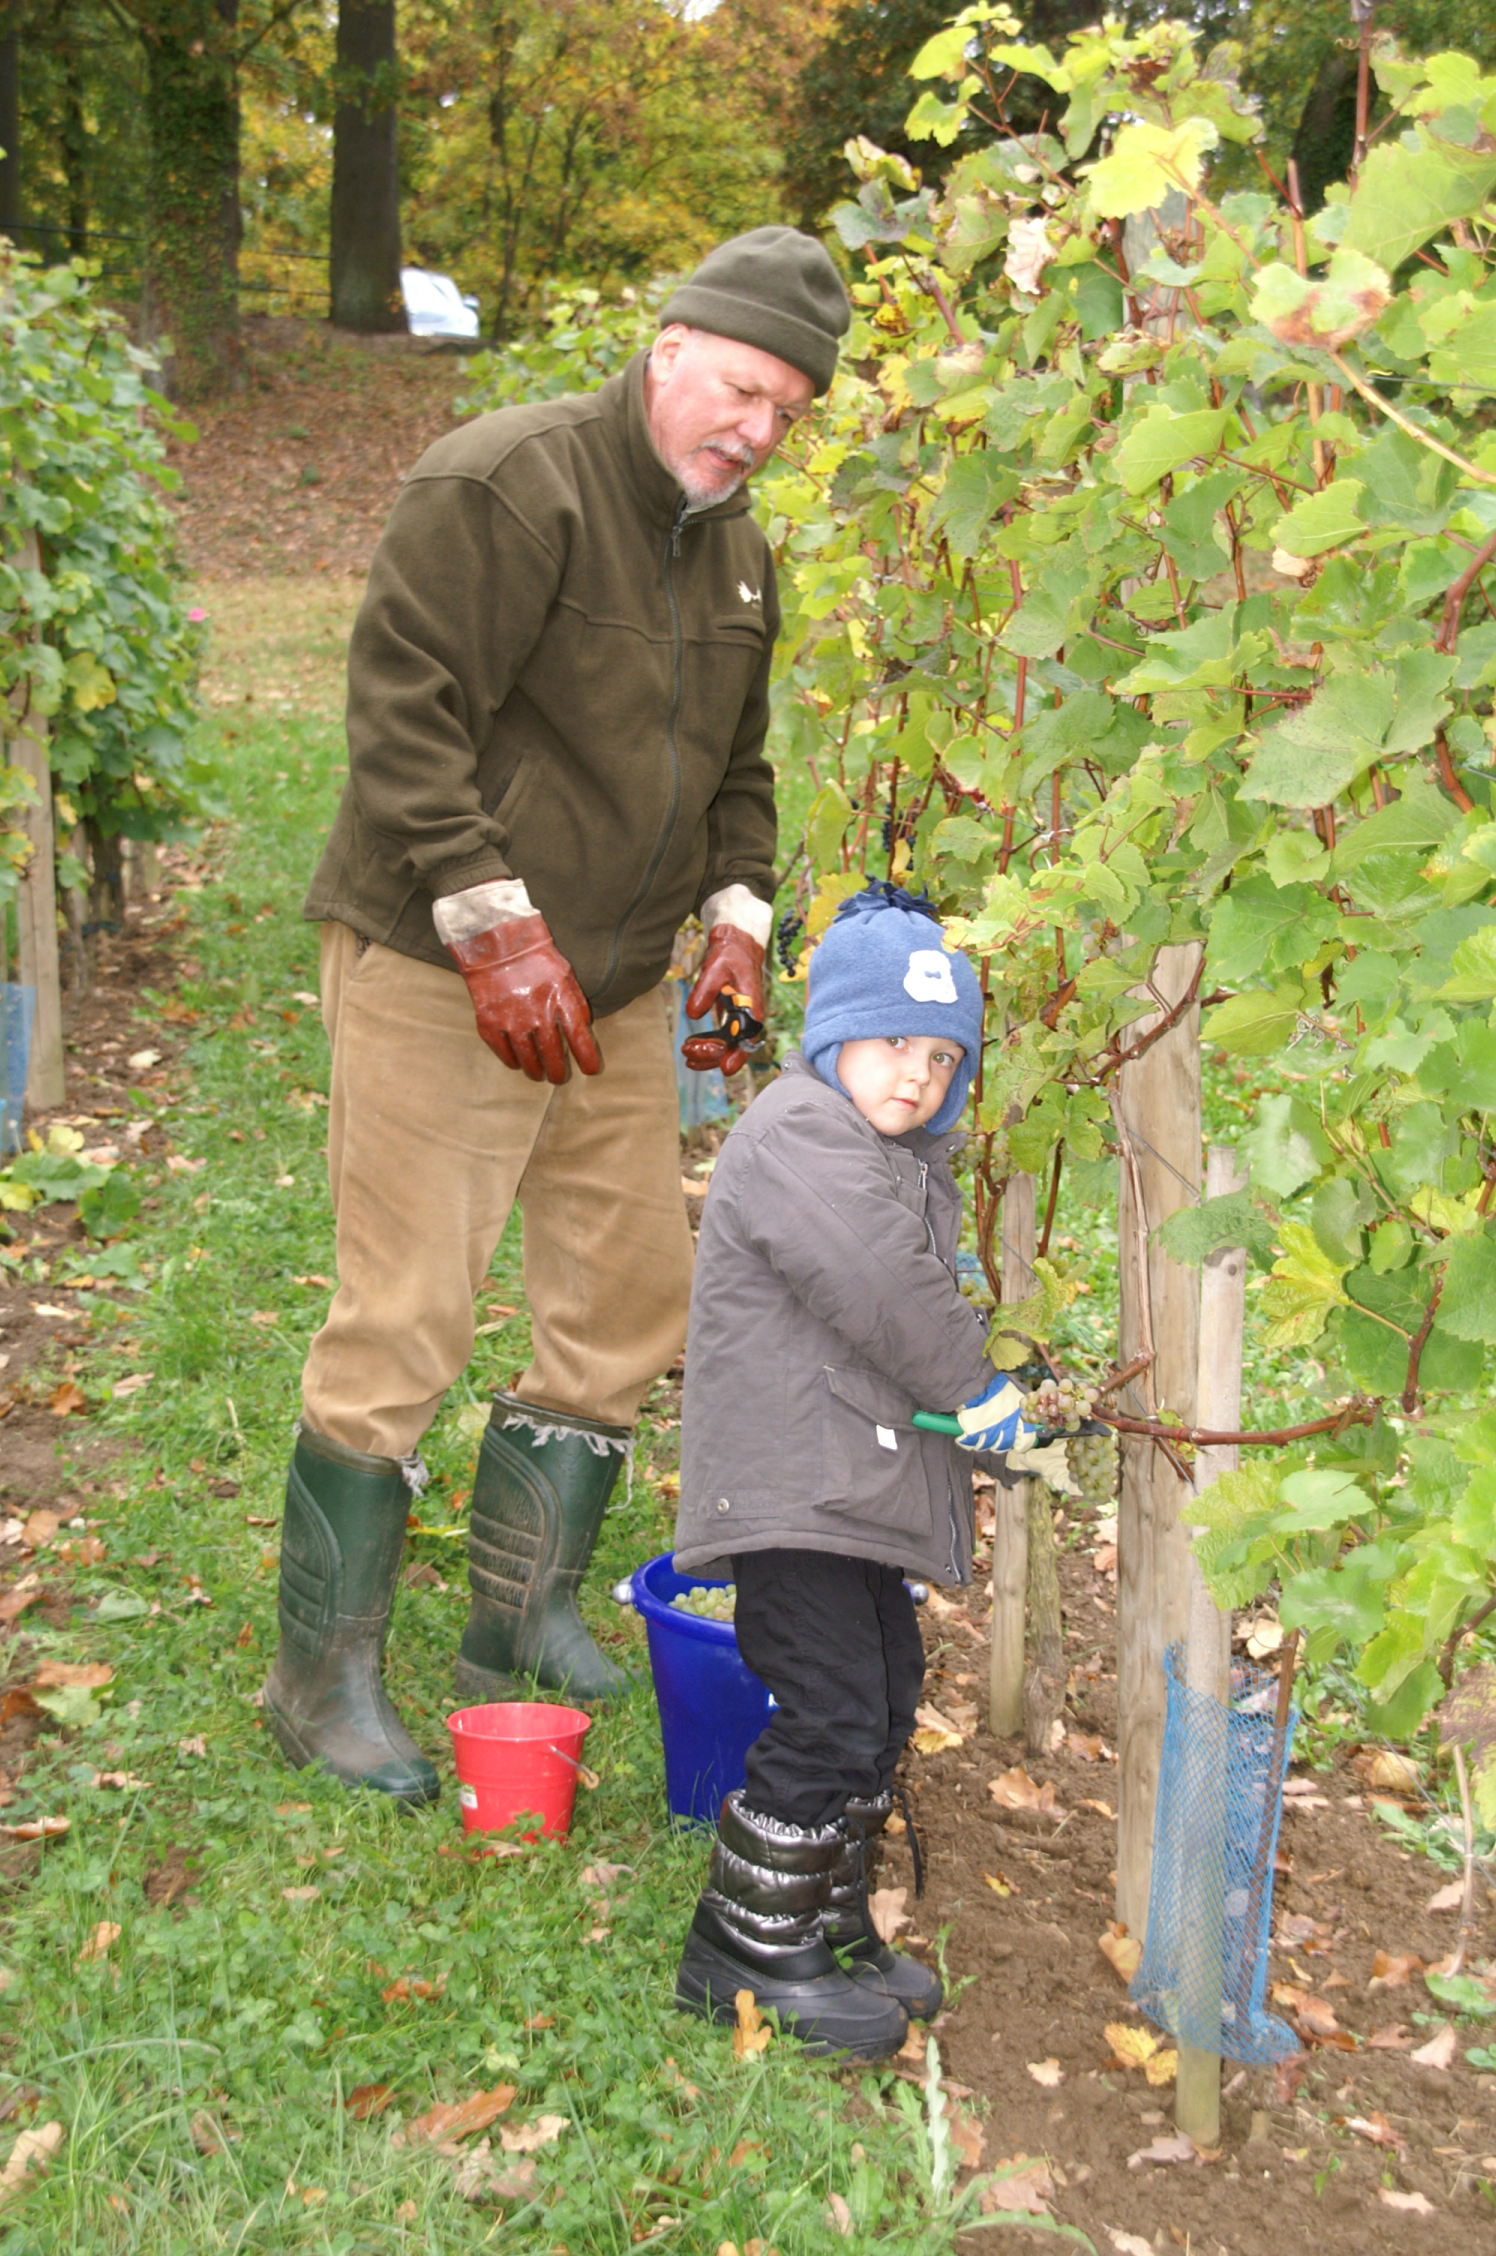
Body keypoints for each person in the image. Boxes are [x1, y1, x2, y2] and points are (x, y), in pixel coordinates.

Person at [262, 228, 852, 1804]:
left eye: (788, 411)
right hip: (439, 961)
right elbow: (402, 713)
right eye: (742, 388)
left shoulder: (738, 551)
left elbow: (740, 770)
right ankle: (316, 1683)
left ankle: (516, 1618)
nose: (757, 428)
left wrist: (737, 926)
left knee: (629, 1291)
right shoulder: (508, 482)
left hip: (619, 982)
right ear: (672, 346)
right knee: (408, 1309)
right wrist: (494, 920)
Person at [669, 884, 1054, 2058]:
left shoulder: (889, 1158)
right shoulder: (796, 1131)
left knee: (882, 1696)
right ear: (832, 1033)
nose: (917, 1077)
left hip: (840, 1490)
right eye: (891, 1043)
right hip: (793, 1493)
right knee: (830, 1706)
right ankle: (742, 1945)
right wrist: (975, 1388)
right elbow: (881, 1287)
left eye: (942, 1058)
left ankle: (823, 1922)